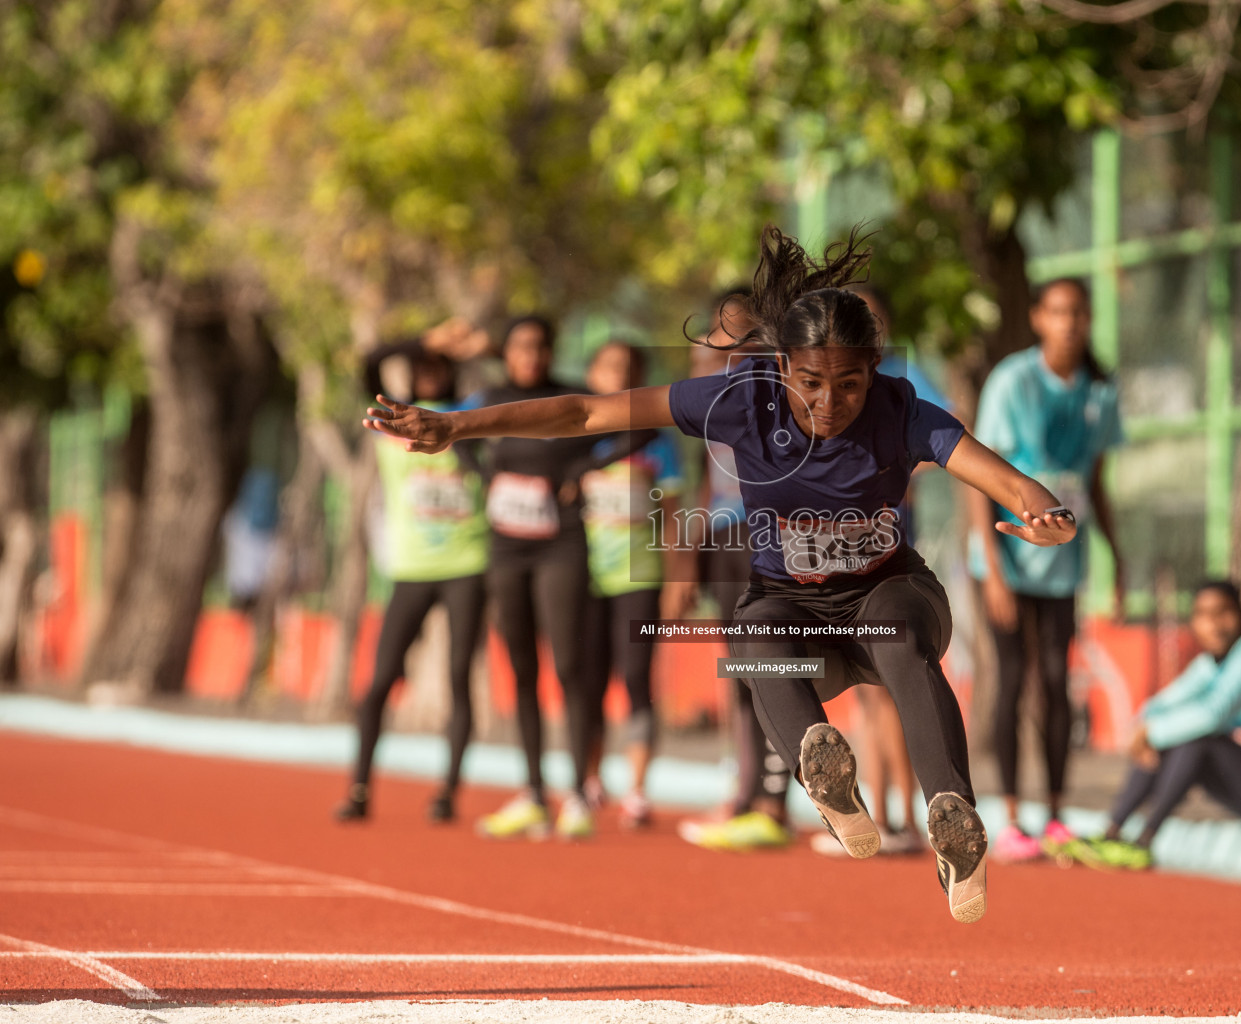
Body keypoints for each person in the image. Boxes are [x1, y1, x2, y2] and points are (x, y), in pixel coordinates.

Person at [364, 226, 1078, 923]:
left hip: (891, 595)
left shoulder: (903, 411)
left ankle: (952, 817)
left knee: (892, 632)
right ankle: (822, 772)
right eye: (810, 385)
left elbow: (1009, 482)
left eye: (850, 385)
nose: (829, 404)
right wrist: (459, 426)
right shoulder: (743, 400)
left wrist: (1050, 517)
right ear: (782, 368)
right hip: (793, 614)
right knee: (752, 624)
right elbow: (587, 411)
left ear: (876, 370)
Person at [471, 316, 651, 842]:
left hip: (562, 545)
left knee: (569, 664)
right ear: (506, 353)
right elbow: (453, 433)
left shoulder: (572, 395)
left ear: (550, 352)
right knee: (522, 668)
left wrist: (581, 471)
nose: (530, 355)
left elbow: (639, 425)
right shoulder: (490, 398)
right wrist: (484, 476)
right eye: (520, 346)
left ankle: (577, 793)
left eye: (540, 346)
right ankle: (532, 792)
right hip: (507, 546)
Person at [967, 278, 1124, 864]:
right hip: (1005, 560)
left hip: (1063, 561)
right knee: (1010, 681)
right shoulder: (1012, 381)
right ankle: (1010, 817)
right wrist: (993, 572)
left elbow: (1097, 482)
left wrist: (1118, 558)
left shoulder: (1100, 391)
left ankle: (1054, 812)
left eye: (1079, 312)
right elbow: (978, 477)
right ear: (1038, 318)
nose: (1070, 322)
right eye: (1058, 311)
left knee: (1056, 683)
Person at [337, 319, 490, 825]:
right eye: (421, 365)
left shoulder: (471, 417)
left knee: (458, 677)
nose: (428, 373)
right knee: (381, 679)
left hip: (468, 564)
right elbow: (369, 361)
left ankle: (447, 791)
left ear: (451, 373)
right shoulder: (394, 418)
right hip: (410, 568)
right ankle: (359, 789)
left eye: (438, 366)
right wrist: (427, 340)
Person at [809, 282, 941, 857]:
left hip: (882, 562)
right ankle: (889, 816)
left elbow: (947, 429)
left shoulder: (898, 388)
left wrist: (895, 468)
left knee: (888, 690)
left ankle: (901, 819)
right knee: (870, 694)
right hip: (837, 563)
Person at [1067, 581, 1241, 870]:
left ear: (1240, 615)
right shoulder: (1209, 664)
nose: (1214, 624)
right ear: (1193, 621)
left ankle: (1144, 840)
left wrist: (1151, 733)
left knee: (1197, 740)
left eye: (1223, 612)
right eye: (1203, 615)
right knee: (1180, 736)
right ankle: (1112, 833)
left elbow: (1213, 713)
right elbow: (1159, 705)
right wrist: (1143, 731)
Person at [677, 291, 795, 852]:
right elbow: (704, 475)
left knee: (775, 665)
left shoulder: (783, 383)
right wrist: (689, 556)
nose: (730, 348)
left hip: (771, 535)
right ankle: (746, 790)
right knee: (740, 670)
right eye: (719, 337)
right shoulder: (705, 392)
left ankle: (776, 799)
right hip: (723, 539)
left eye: (742, 336)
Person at [579, 340, 687, 829]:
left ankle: (637, 791)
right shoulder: (575, 436)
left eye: (628, 370)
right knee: (587, 680)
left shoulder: (658, 443)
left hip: (638, 577)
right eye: (608, 368)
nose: (617, 378)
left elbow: (673, 518)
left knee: (636, 678)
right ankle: (589, 780)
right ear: (590, 375)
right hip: (581, 578)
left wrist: (677, 579)